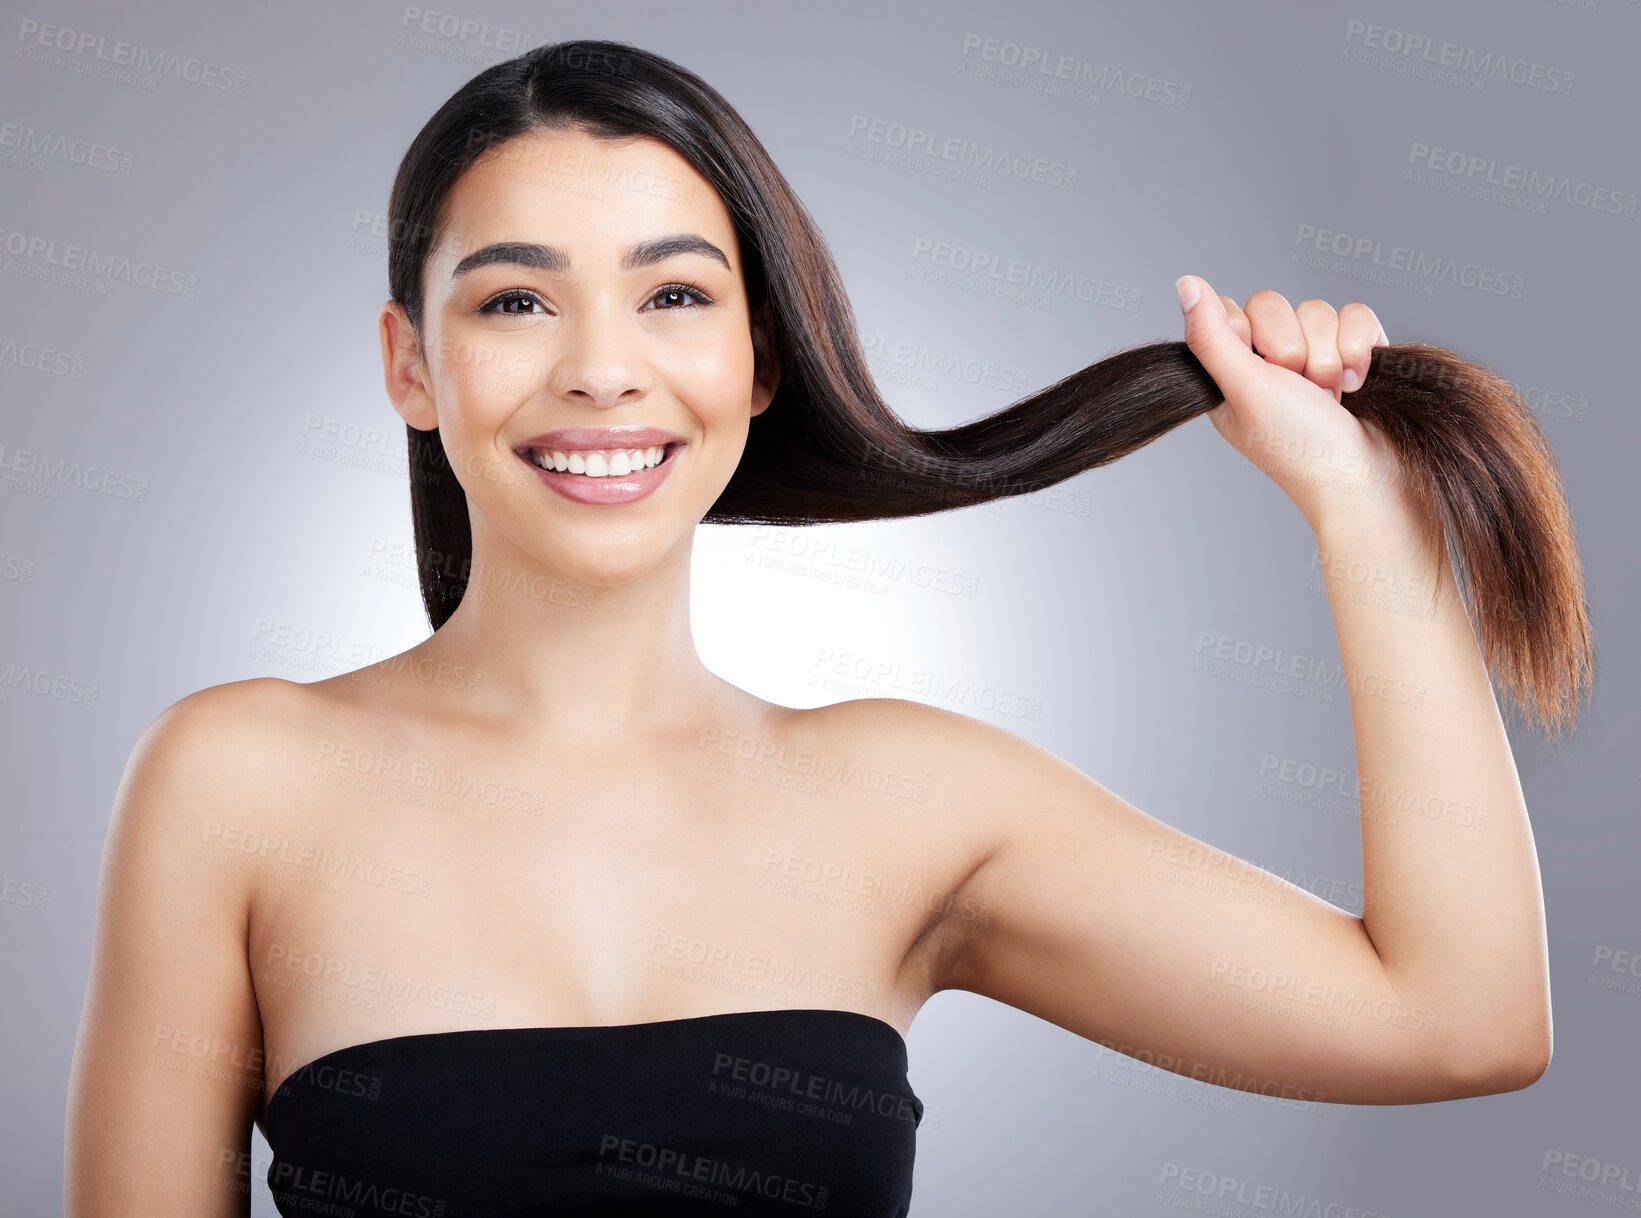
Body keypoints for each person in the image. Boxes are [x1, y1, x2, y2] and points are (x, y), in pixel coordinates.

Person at [64, 37, 1589, 1218]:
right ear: (409, 365)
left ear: (762, 359)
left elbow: (1455, 1020)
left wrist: (1364, 511)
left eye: (674, 296)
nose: (602, 371)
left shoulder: (908, 799)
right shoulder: (239, 778)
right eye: (516, 303)